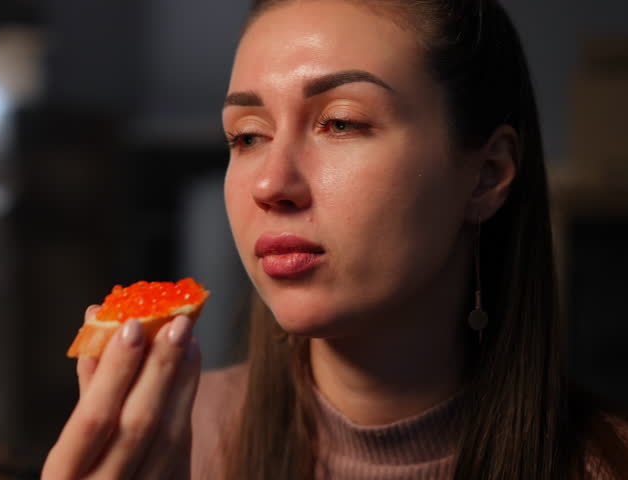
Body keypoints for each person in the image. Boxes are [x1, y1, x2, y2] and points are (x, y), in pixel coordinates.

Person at [41, 0, 628, 479]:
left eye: (341, 122)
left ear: (487, 175)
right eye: (247, 136)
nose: (271, 183)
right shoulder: (170, 440)